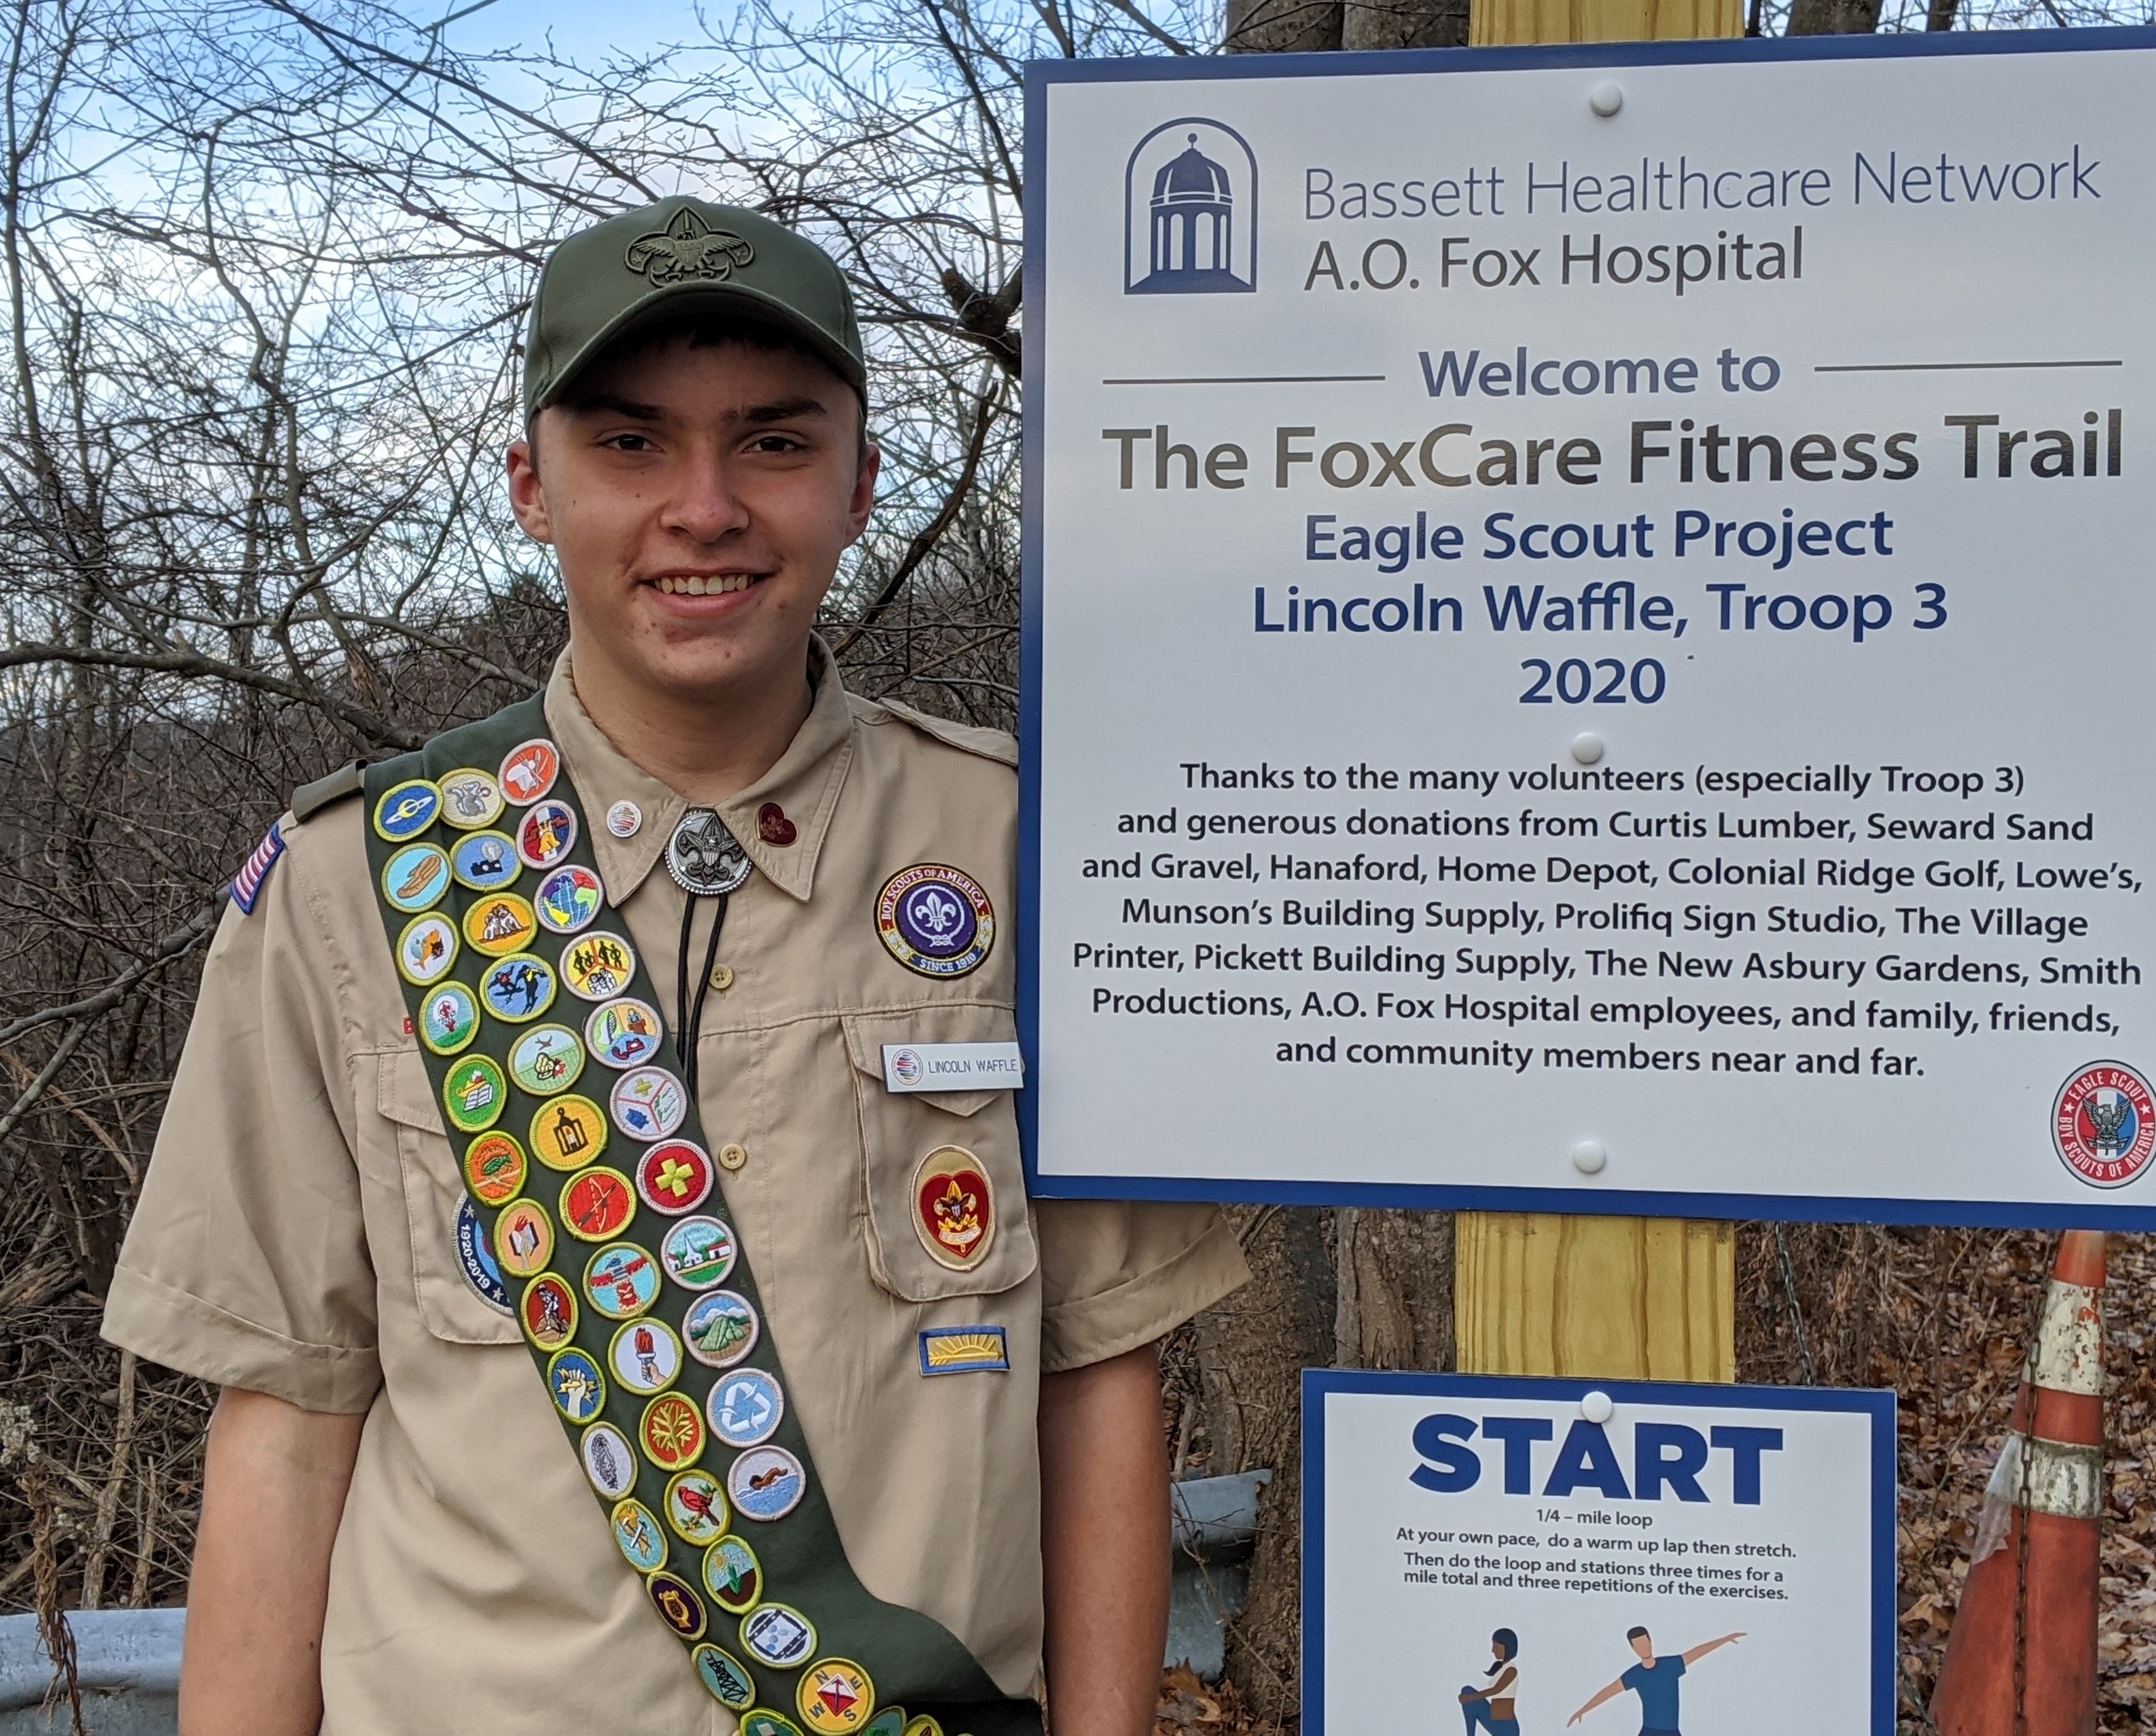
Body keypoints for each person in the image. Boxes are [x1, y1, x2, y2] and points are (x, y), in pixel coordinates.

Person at [100, 196, 1250, 1736]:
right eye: (631, 445)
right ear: (530, 483)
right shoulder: (355, 882)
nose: (704, 507)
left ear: (861, 486)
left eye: (774, 442)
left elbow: (1101, 1371)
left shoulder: (1031, 850)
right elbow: (288, 1421)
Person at [1566, 1627, 1744, 1732]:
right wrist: (1584, 1709)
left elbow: (1696, 1653)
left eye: (1645, 1642)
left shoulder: (1670, 1665)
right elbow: (1609, 1692)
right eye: (1638, 1645)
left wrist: (1724, 1640)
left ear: (1651, 1641)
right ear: (1633, 1648)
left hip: (1672, 1732)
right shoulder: (1635, 1675)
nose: (1643, 1647)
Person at [1457, 1628, 1522, 1736]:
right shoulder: (1501, 1668)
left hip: (1506, 1726)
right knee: (1467, 1690)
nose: (1493, 1650)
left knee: (1469, 1696)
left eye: (1496, 1647)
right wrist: (1469, 1697)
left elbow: (1496, 1690)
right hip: (1493, 1720)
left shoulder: (1511, 1670)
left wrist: (1471, 1698)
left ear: (1506, 1648)